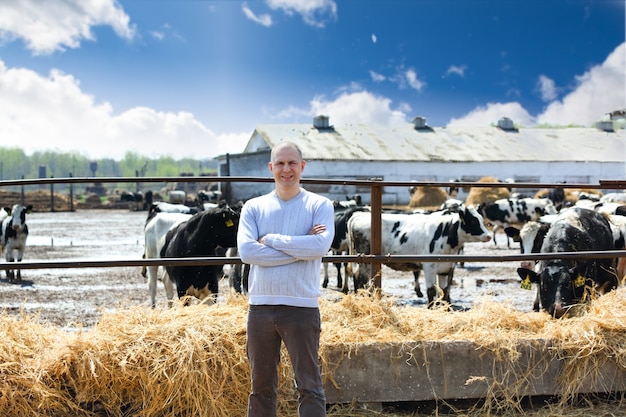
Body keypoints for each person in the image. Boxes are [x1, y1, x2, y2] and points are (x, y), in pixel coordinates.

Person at [237, 141, 335, 417]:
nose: (286, 169)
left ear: (302, 166)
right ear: (271, 168)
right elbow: (247, 252)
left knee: (309, 386)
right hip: (261, 308)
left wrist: (271, 240)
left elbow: (319, 248)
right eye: (280, 163)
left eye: (292, 163)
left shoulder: (319, 205)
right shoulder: (254, 207)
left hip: (302, 307)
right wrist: (301, 249)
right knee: (261, 388)